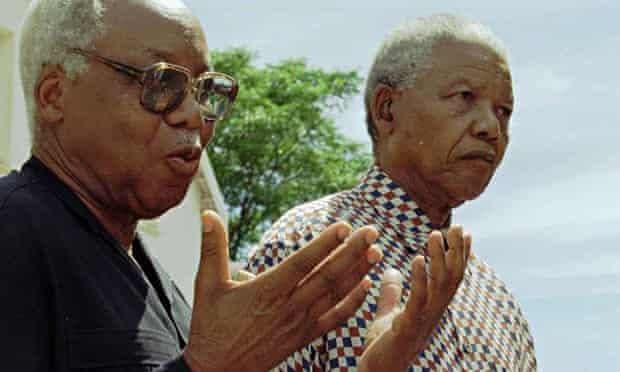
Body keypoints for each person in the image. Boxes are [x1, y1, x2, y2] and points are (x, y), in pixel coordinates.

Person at [0, 0, 387, 370]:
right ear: (54, 95)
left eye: (204, 90)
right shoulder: (14, 229)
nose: (194, 116)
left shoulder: (150, 276)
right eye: (161, 82)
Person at [247, 14, 537, 371]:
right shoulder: (309, 247)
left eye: (504, 111)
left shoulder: (498, 304)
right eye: (464, 97)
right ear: (386, 110)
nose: (490, 127)